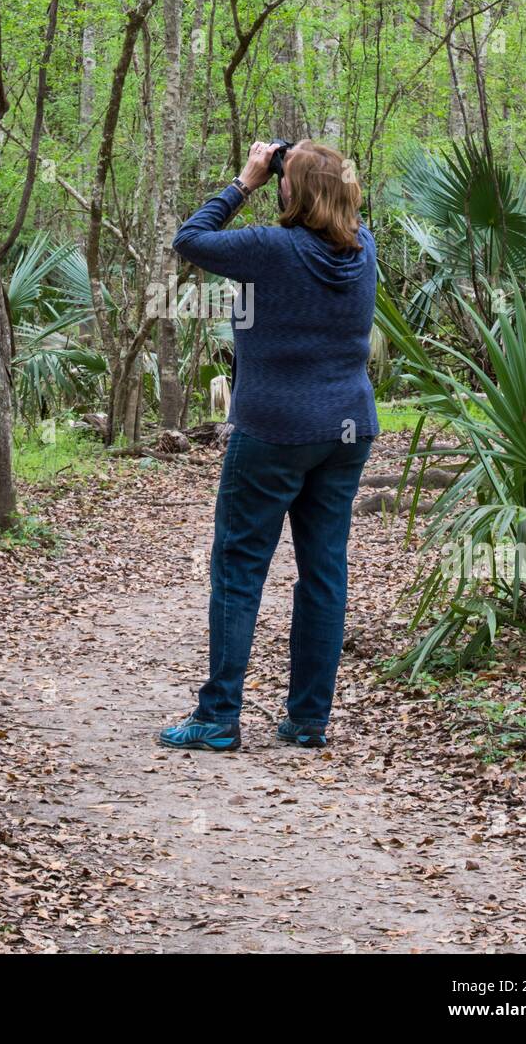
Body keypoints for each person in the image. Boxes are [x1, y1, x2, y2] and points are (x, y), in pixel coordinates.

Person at [159, 140, 378, 752]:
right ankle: (308, 719)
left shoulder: (271, 249)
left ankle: (219, 716)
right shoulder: (366, 252)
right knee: (324, 571)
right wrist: (308, 169)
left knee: (239, 567)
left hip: (274, 431)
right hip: (346, 431)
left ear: (289, 191)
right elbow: (339, 207)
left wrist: (247, 179)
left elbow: (191, 239)